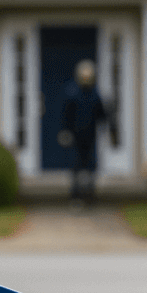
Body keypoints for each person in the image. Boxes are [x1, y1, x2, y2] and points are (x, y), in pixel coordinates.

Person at [58, 59, 108, 202]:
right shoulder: (71, 92)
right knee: (76, 165)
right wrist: (65, 131)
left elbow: (101, 114)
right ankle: (75, 195)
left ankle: (90, 194)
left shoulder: (95, 94)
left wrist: (108, 127)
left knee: (91, 165)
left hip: (91, 135)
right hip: (75, 136)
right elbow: (66, 114)